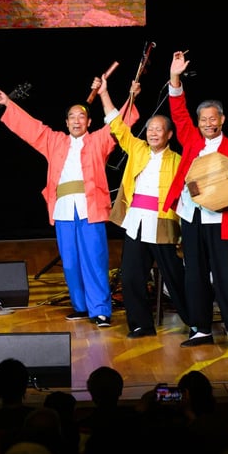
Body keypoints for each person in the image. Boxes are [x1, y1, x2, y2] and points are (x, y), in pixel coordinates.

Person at [0, 81, 138, 327]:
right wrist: (9, 103)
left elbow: (119, 124)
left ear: (89, 122)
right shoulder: (55, 141)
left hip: (89, 208)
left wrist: (128, 97)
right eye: (72, 117)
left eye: (81, 117)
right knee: (70, 262)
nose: (76, 121)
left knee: (94, 259)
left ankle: (100, 310)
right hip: (62, 210)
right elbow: (32, 128)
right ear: (66, 122)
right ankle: (81, 307)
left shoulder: (99, 140)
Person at [165, 51, 228, 356]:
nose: (207, 123)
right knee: (195, 274)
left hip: (222, 219)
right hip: (192, 216)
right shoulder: (191, 140)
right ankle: (201, 328)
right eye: (203, 119)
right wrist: (175, 77)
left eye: (212, 119)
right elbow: (178, 112)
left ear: (222, 120)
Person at [95, 73, 189, 338]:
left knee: (175, 278)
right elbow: (116, 124)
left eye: (159, 129)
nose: (153, 132)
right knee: (131, 277)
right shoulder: (137, 148)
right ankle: (140, 324)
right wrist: (104, 93)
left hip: (162, 222)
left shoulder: (178, 160)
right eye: (150, 129)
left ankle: (196, 323)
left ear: (169, 135)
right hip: (135, 220)